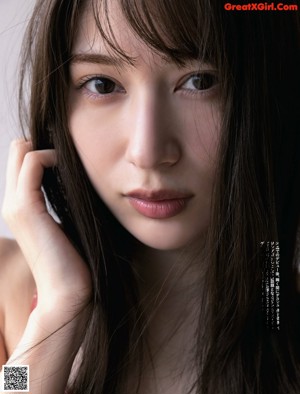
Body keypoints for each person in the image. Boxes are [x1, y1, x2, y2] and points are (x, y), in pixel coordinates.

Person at [0, 0, 300, 393]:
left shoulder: (282, 323)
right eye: (102, 85)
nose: (148, 151)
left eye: (200, 81)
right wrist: (55, 316)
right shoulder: (7, 289)